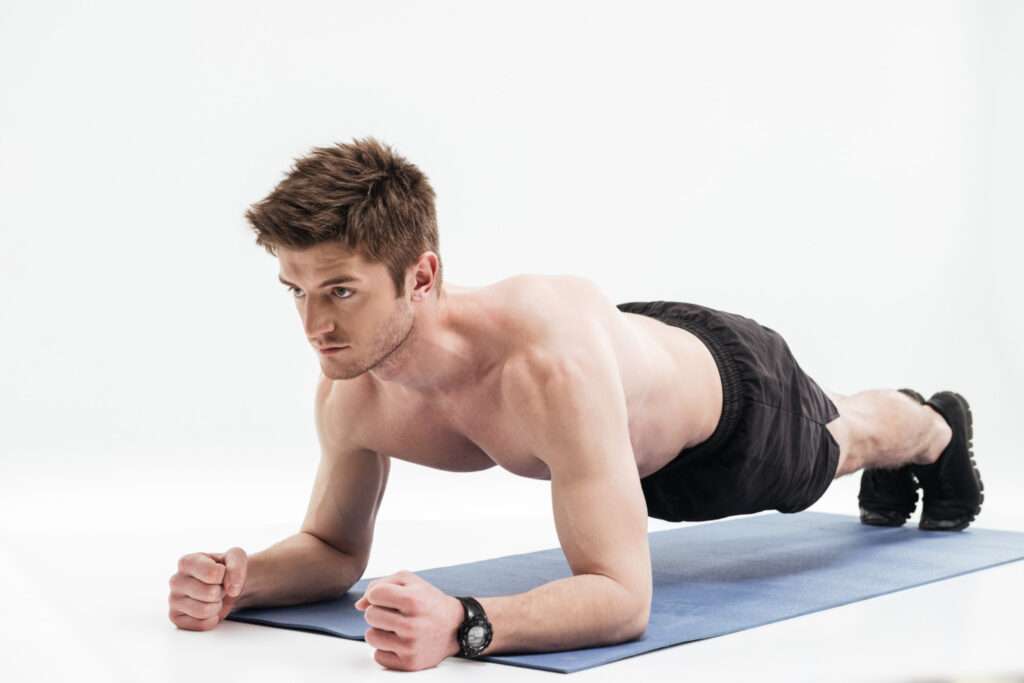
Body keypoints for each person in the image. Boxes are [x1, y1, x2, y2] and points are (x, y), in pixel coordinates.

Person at [167, 137, 984, 671]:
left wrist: (465, 622)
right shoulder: (352, 386)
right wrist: (244, 579)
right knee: (832, 427)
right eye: (296, 291)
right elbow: (332, 547)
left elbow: (623, 599)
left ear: (420, 276)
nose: (314, 325)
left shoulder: (543, 370)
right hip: (624, 382)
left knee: (847, 438)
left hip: (730, 412)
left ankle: (937, 424)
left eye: (339, 291)